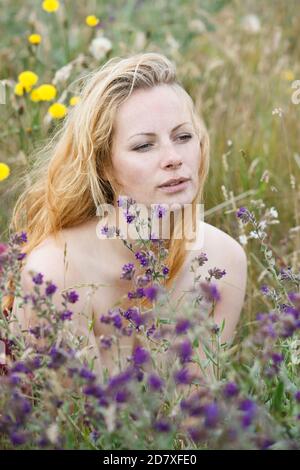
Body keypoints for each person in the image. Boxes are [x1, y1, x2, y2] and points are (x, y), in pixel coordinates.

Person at [2, 52, 247, 381]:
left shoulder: (223, 259)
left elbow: (195, 417)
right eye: (144, 146)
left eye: (183, 137)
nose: (174, 158)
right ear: (104, 164)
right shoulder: (53, 274)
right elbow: (64, 427)